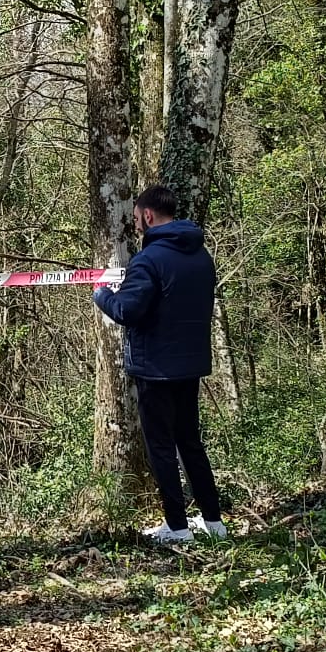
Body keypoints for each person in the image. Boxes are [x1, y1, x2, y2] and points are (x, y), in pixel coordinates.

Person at [92, 184, 227, 546]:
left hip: (155, 368)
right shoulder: (202, 255)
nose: (136, 226)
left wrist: (101, 293)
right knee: (190, 442)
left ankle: (177, 528)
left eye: (136, 219)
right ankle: (213, 522)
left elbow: (126, 310)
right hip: (191, 364)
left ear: (148, 216)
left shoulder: (148, 260)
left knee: (161, 447)